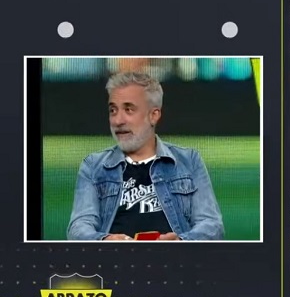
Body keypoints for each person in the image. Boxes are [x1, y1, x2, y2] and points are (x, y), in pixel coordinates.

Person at [66, 71, 224, 241]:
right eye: (113, 110)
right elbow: (78, 228)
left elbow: (212, 225)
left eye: (128, 109)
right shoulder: (93, 166)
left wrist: (181, 242)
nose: (118, 121)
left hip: (173, 257)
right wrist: (105, 241)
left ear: (153, 115)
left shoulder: (189, 161)